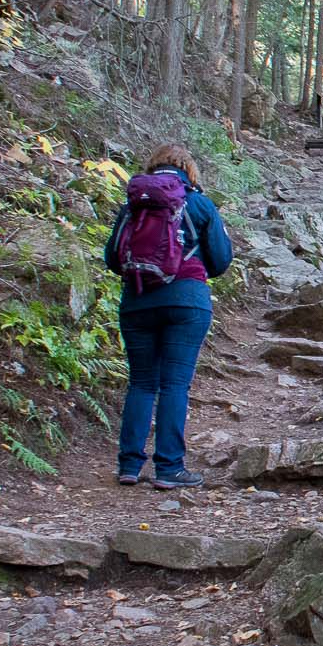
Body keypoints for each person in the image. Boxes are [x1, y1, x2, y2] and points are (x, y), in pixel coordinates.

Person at [104, 142, 233, 489]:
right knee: (175, 384)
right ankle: (169, 468)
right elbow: (221, 261)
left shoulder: (132, 207)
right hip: (187, 302)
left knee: (142, 383)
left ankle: (129, 466)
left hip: (138, 301)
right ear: (189, 172)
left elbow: (112, 259)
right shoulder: (199, 204)